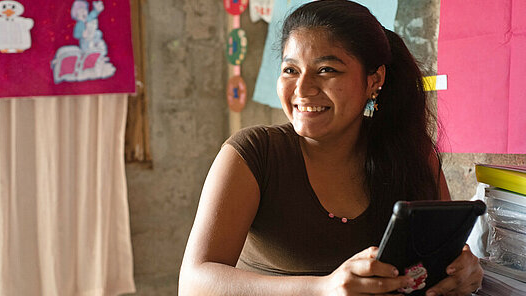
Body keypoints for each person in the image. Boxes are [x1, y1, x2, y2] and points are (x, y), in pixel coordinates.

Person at [179, 1, 483, 295]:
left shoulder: (413, 155)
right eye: (290, 70)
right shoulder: (254, 154)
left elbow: (443, 258)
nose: (303, 89)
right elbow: (193, 284)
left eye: (326, 70)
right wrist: (322, 289)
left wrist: (466, 272)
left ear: (374, 80)